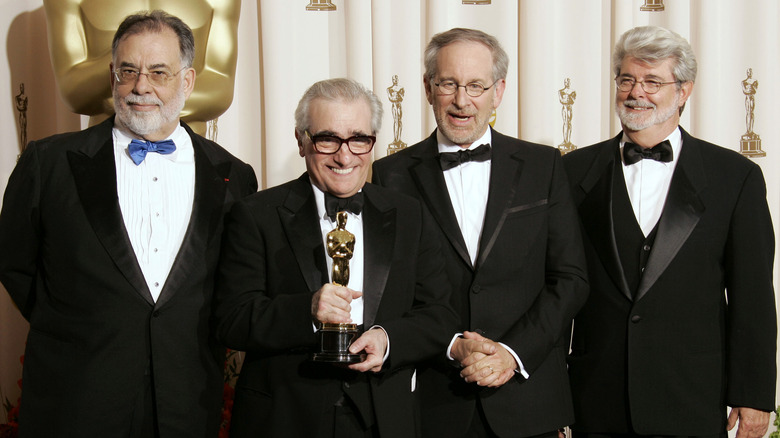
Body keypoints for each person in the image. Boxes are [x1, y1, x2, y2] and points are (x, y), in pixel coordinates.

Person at [0, 10, 257, 437]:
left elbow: (235, 281)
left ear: (188, 81)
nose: (142, 87)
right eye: (128, 71)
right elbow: (15, 265)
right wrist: (85, 320)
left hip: (187, 404)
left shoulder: (233, 174)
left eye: (159, 72)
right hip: (75, 401)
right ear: (111, 75)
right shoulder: (48, 163)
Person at [372, 28, 589, 438]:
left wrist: (512, 354)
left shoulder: (544, 166)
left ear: (499, 90)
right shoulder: (390, 176)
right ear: (427, 88)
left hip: (530, 399)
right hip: (435, 403)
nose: (461, 100)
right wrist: (451, 344)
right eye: (448, 84)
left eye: (475, 85)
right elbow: (392, 292)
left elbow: (571, 279)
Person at [213, 78, 458, 437]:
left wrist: (388, 339)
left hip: (385, 419)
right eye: (327, 139)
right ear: (301, 141)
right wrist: (307, 310)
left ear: (373, 142)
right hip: (285, 418)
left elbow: (440, 314)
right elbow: (230, 319)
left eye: (359, 139)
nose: (345, 156)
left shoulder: (410, 215)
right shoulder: (256, 214)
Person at [562, 26, 776, 438]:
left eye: (652, 81)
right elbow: (556, 291)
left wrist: (753, 394)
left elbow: (752, 296)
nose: (635, 92)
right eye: (626, 79)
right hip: (594, 398)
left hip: (692, 397)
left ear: (684, 91)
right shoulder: (570, 174)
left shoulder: (736, 177)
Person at [43, 0, 240, 135]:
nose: (142, 87)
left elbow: (221, 87)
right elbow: (73, 93)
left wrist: (141, 105)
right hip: (105, 156)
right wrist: (131, 52)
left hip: (192, 154)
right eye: (128, 71)